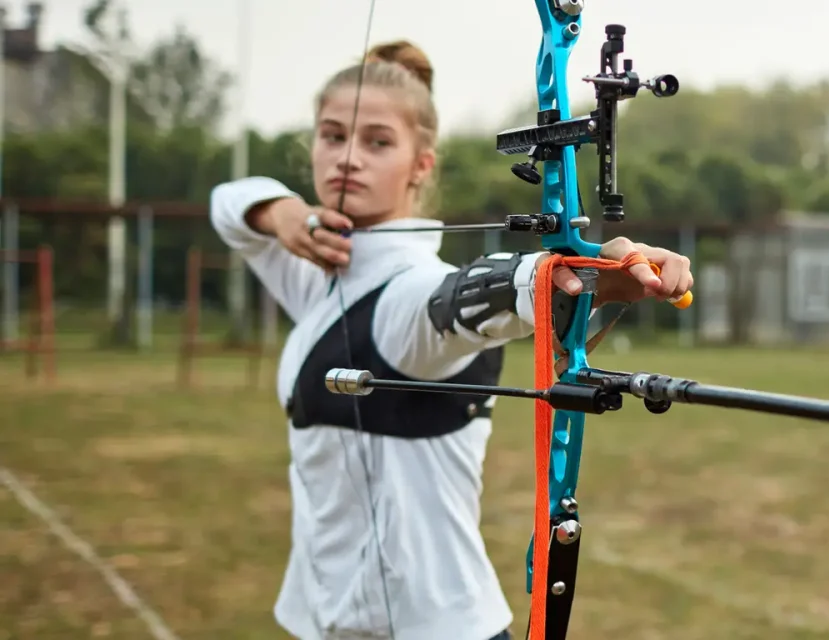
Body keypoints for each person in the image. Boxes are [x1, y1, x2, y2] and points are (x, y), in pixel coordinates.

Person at [209, 41, 693, 640]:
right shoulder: (314, 268)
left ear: (421, 164)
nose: (347, 159)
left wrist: (582, 277)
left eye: (377, 142)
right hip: (330, 619)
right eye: (332, 136)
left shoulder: (407, 292)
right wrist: (281, 213)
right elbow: (227, 204)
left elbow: (458, 302)